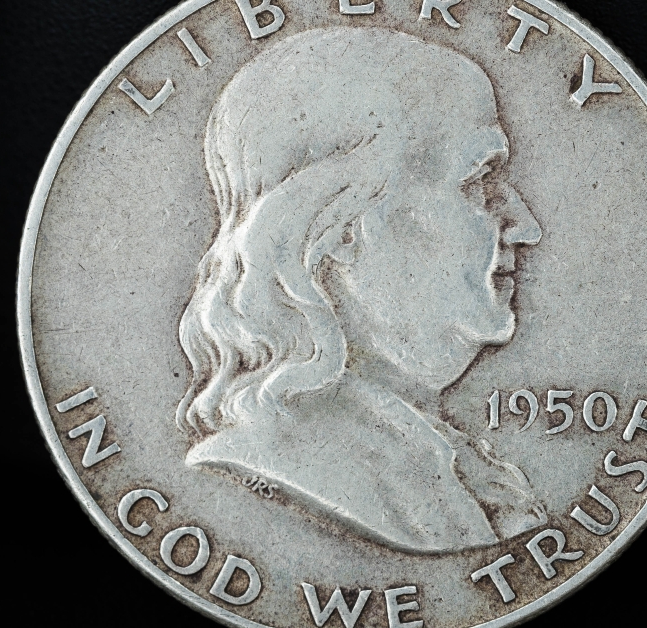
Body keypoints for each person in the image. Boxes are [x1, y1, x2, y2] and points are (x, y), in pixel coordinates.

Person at [176, 27, 546, 553]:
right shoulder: (298, 469)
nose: (524, 225)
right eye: (477, 183)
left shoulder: (445, 464)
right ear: (337, 227)